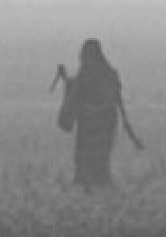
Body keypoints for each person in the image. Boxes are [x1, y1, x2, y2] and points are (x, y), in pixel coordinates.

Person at [56, 39, 140, 190]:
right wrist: (66, 78)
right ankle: (92, 184)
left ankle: (95, 185)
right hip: (99, 123)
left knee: (95, 156)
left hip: (97, 124)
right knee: (91, 156)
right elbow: (78, 89)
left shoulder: (98, 73)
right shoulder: (107, 73)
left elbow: (77, 92)